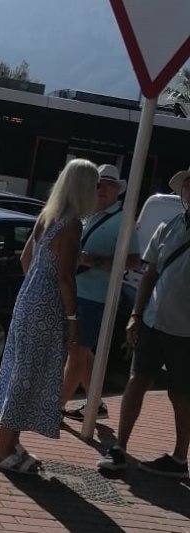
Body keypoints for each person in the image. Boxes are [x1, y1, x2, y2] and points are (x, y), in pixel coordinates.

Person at [0, 158, 99, 474]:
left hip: (29, 298)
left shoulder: (47, 216)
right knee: (29, 379)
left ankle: (11, 443)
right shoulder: (72, 224)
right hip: (48, 305)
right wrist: (72, 317)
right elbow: (66, 277)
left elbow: (27, 258)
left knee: (22, 373)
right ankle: (2, 449)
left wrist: (36, 287)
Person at [97, 167, 190, 477]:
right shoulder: (168, 226)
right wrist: (135, 315)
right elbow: (149, 274)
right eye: (187, 187)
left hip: (186, 331)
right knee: (137, 381)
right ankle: (119, 447)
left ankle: (179, 457)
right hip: (152, 319)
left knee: (181, 393)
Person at [61, 164, 140, 421]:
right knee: (82, 351)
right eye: (99, 184)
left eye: (109, 185)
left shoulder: (124, 220)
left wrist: (93, 261)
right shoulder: (87, 215)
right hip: (77, 291)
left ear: (118, 190)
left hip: (96, 297)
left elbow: (133, 261)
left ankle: (54, 407)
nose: (102, 189)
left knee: (77, 350)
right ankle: (95, 403)